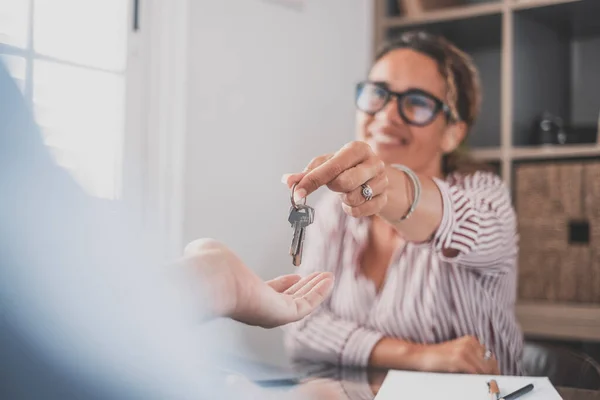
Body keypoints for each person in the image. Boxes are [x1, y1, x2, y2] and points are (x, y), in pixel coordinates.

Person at [0, 59, 334, 399]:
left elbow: (60, 301)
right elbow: (50, 321)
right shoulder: (330, 213)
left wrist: (211, 281)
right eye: (374, 94)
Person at [282, 30, 523, 376]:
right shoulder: (335, 211)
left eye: (417, 102)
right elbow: (300, 324)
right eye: (378, 94)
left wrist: (385, 183)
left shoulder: (485, 196)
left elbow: (462, 222)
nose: (388, 114)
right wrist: (416, 355)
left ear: (453, 132)